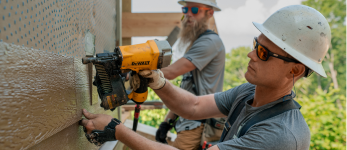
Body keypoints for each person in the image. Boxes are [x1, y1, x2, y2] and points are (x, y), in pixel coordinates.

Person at [80, 5, 331, 150]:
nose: (250, 54)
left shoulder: (280, 135)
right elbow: (194, 105)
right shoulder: (248, 93)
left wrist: (117, 130)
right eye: (256, 44)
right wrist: (158, 82)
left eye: (263, 52)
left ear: (295, 70)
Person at [156, 0, 225, 149]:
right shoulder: (197, 43)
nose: (188, 14)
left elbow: (172, 72)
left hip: (198, 125)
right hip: (189, 123)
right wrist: (167, 122)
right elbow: (187, 90)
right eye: (185, 9)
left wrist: (139, 69)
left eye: (194, 10)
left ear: (210, 13)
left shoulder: (209, 42)